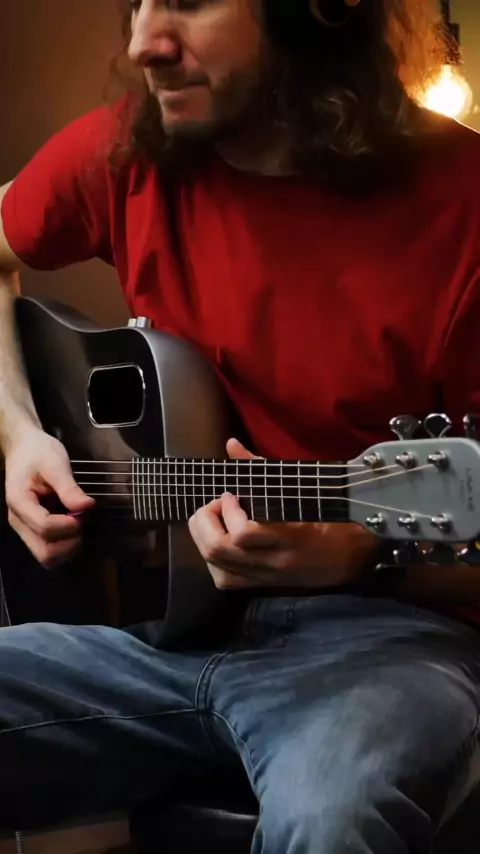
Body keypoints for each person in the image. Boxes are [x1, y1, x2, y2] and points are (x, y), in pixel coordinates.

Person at [0, 0, 480, 849]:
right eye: (138, 2)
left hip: (390, 652)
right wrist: (18, 435)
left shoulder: (464, 202)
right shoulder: (126, 149)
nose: (144, 43)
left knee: (334, 818)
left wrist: (364, 553)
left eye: (189, 0)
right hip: (148, 640)